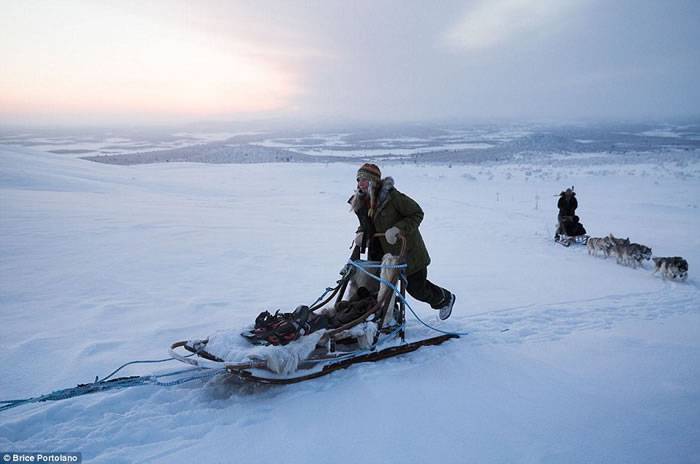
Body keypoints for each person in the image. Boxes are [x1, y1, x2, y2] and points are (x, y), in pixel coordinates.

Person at [348, 163, 455, 320]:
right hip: (380, 254)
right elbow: (367, 225)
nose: (360, 184)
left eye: (364, 180)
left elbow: (417, 213)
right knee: (378, 290)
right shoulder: (363, 201)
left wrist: (398, 229)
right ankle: (388, 316)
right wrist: (360, 233)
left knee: (417, 289)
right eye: (358, 180)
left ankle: (444, 299)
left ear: (374, 181)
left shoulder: (393, 197)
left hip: (408, 251)